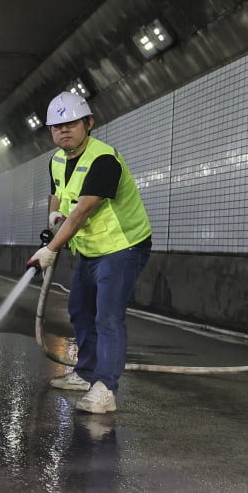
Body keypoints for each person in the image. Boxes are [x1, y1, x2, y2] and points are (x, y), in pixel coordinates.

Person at [27, 91, 152, 414]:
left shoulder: (103, 160)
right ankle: (86, 374)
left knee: (107, 317)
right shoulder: (56, 160)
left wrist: (50, 249)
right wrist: (53, 219)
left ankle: (105, 388)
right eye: (56, 126)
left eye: (71, 124)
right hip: (90, 249)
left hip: (123, 247)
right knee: (80, 309)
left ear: (89, 123)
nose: (63, 130)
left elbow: (82, 211)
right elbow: (58, 195)